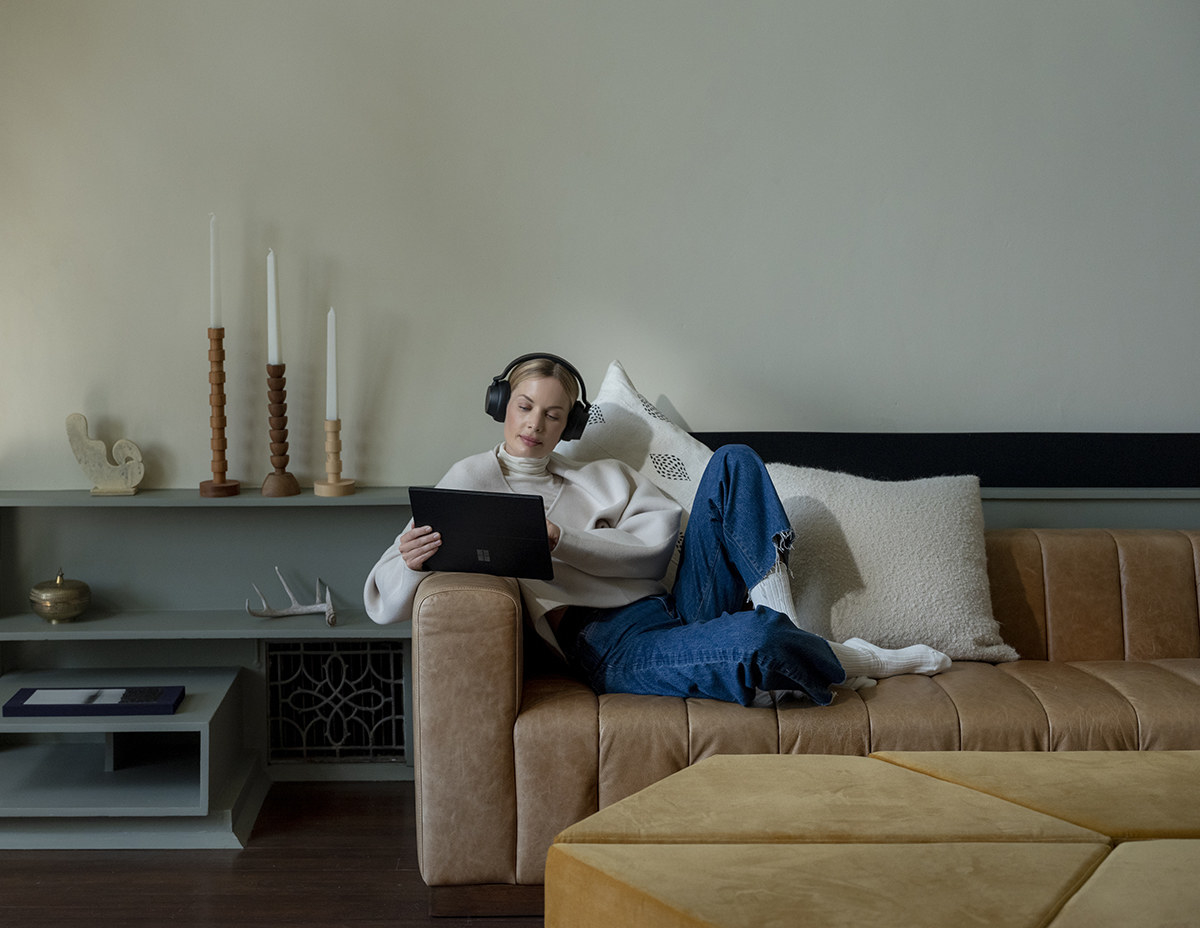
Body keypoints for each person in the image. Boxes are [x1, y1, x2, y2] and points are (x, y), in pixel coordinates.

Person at [364, 353, 950, 707]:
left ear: (570, 424)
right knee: (757, 644)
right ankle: (855, 659)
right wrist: (410, 561)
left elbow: (655, 548)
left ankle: (795, 626)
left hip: (673, 603)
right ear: (502, 405)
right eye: (523, 406)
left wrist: (564, 540)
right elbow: (383, 595)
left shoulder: (601, 476)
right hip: (611, 646)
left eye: (553, 413)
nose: (534, 424)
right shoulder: (472, 479)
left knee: (735, 462)